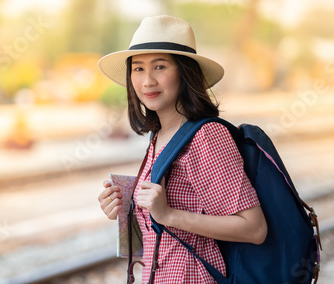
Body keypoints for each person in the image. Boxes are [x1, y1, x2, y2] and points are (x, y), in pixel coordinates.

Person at [97, 15, 267, 284]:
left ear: (185, 72)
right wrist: (126, 207)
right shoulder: (159, 135)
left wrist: (169, 214)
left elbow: (254, 228)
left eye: (160, 66)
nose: (147, 80)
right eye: (138, 69)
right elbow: (161, 228)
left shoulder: (207, 136)